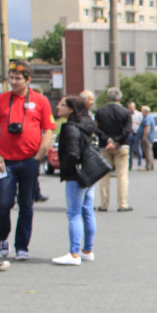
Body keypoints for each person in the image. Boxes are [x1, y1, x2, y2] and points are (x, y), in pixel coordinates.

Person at [0, 59, 56, 261]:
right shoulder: (0, 100)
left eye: (18, 79)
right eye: (11, 78)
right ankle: (2, 236)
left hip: (29, 161)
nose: (14, 82)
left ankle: (22, 246)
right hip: (5, 161)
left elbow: (49, 130)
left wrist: (39, 156)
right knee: (4, 203)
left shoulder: (40, 101)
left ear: (28, 79)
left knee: (26, 204)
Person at [51, 96, 98, 266]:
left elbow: (72, 153)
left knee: (73, 213)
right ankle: (87, 250)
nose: (58, 106)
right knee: (87, 210)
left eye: (62, 104)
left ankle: (74, 253)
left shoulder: (70, 128)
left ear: (71, 109)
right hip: (89, 172)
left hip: (76, 175)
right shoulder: (87, 123)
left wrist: (67, 168)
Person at [94, 87, 133, 211]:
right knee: (122, 176)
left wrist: (107, 140)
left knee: (104, 177)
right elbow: (127, 130)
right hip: (121, 146)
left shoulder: (100, 111)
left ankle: (104, 204)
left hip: (104, 147)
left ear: (108, 98)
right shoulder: (126, 112)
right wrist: (116, 142)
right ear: (120, 98)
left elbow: (97, 129)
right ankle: (122, 204)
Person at [127, 101, 144, 170]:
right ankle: (130, 165)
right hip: (130, 133)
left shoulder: (139, 114)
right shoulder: (127, 114)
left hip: (137, 133)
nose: (130, 109)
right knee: (130, 150)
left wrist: (139, 123)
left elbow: (143, 124)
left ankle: (139, 164)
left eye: (131, 107)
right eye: (129, 108)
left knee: (138, 149)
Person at [140, 106, 156, 170]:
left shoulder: (148, 118)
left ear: (145, 111)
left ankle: (148, 166)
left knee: (147, 151)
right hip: (149, 136)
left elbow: (147, 127)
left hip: (148, 137)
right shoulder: (148, 117)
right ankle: (151, 165)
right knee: (149, 151)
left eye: (142, 111)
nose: (141, 112)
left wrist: (144, 136)